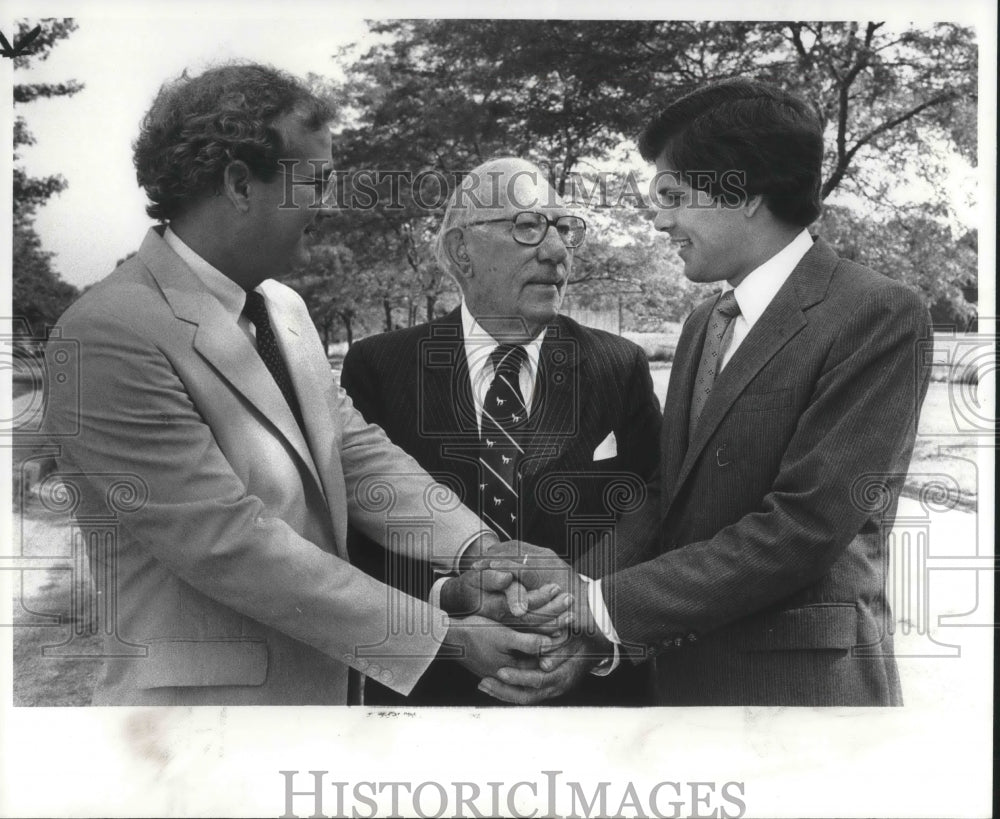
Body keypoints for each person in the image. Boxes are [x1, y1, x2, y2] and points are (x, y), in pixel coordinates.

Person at [40, 64, 560, 706]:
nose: (326, 204)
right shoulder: (106, 333)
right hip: (202, 729)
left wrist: (478, 550)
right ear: (238, 183)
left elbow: (355, 452)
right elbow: (227, 544)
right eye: (315, 182)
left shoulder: (282, 308)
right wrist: (444, 637)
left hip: (319, 703)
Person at [478, 78, 933, 706]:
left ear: (742, 192)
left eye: (673, 195)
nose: (660, 219)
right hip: (684, 688)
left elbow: (804, 526)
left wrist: (598, 603)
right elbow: (673, 494)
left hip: (801, 696)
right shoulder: (704, 324)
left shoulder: (876, 313)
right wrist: (576, 592)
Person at [340, 157, 662, 705]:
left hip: (592, 698)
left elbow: (655, 506)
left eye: (564, 229)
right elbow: (353, 533)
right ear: (463, 251)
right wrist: (451, 598)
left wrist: (587, 627)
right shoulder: (380, 366)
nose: (557, 252)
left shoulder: (618, 364)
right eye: (528, 227)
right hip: (434, 699)